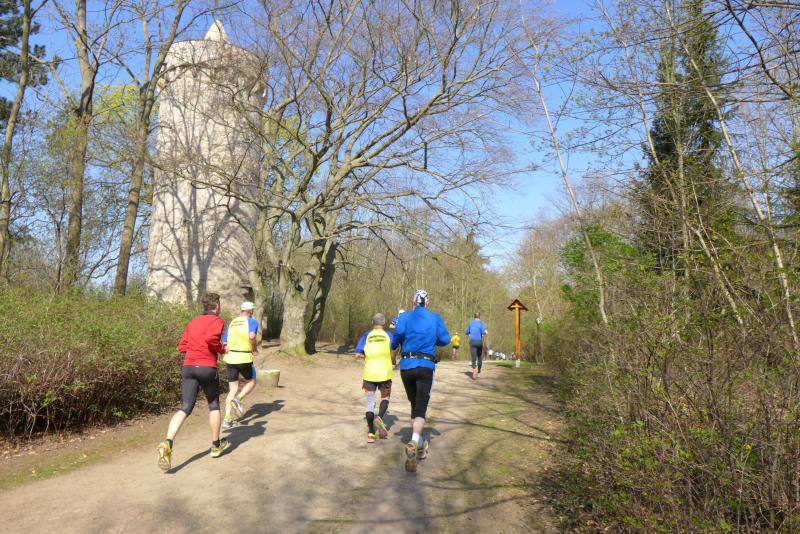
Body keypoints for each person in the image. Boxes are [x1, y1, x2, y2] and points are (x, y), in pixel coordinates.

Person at [157, 293, 229, 471]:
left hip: (188, 367)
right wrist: (222, 349)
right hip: (206, 367)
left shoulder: (193, 322)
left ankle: (167, 442)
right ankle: (215, 446)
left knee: (185, 407)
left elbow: (182, 346)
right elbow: (211, 339)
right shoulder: (217, 320)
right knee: (214, 405)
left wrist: (195, 347)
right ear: (217, 307)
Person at [391, 289, 451, 472]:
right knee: (421, 407)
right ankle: (414, 441)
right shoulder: (435, 318)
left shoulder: (404, 317)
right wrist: (432, 340)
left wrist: (394, 345)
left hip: (407, 366)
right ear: (428, 302)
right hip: (426, 366)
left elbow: (396, 338)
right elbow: (445, 339)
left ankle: (421, 445)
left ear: (413, 302)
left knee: (415, 404)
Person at [354, 313, 396, 443]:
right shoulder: (389, 336)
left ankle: (371, 433)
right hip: (385, 373)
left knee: (369, 403)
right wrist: (393, 361)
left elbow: (357, 355)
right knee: (385, 398)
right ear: (384, 322)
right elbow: (394, 351)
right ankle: (380, 417)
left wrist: (366, 356)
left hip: (369, 374)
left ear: (373, 322)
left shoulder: (366, 335)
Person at [221, 301, 259, 429]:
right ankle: (238, 399)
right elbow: (252, 336)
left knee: (233, 388)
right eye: (252, 311)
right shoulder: (252, 321)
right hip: (244, 357)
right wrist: (254, 348)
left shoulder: (232, 322)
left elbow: (224, 342)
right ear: (250, 311)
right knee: (251, 381)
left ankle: (227, 419)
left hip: (230, 358)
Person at [465, 312, 488, 380]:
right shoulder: (481, 324)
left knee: (473, 357)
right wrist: (485, 332)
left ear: (474, 317)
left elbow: (466, 332)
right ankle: (479, 370)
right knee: (479, 356)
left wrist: (470, 333)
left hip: (472, 341)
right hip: (479, 342)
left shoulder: (470, 323)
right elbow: (483, 332)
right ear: (479, 317)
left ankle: (474, 370)